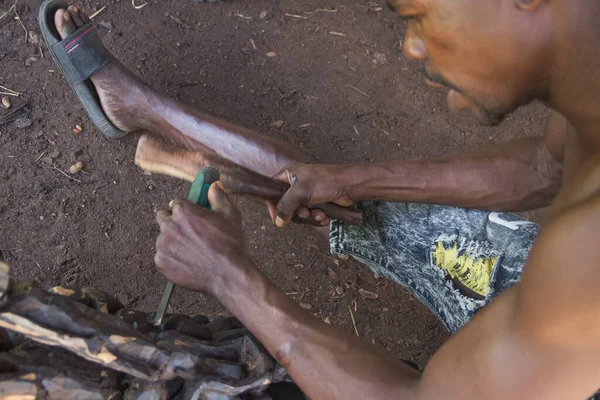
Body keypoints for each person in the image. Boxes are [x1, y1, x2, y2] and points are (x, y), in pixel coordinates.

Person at [43, 0, 600, 398]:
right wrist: (350, 178)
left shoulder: (584, 262)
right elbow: (545, 165)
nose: (412, 46)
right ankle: (146, 112)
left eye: (417, 15)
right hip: (551, 323)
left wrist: (229, 277)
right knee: (344, 197)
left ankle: (170, 140)